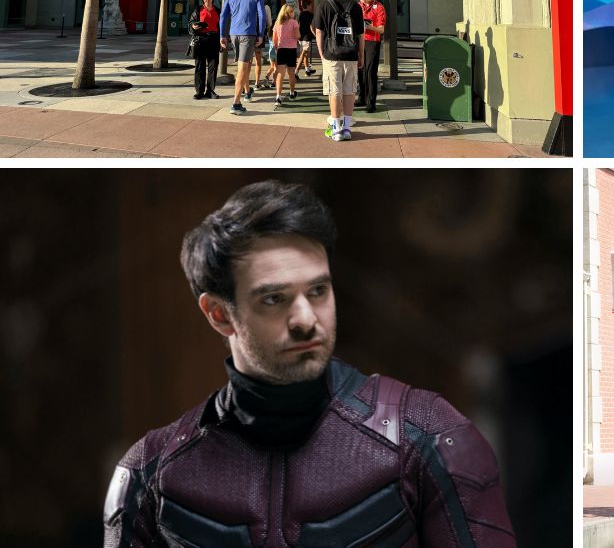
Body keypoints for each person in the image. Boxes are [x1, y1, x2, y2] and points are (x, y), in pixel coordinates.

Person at [102, 181, 516, 547]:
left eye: (317, 290)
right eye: (274, 298)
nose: (305, 319)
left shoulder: (431, 437)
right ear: (219, 314)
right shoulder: (148, 474)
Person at [313, 0, 364, 141]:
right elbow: (360, 35)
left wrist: (321, 53)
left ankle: (336, 130)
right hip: (351, 55)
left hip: (331, 55)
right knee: (349, 91)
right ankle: (347, 128)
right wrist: (361, 55)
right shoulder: (356, 7)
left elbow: (318, 32)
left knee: (334, 91)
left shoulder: (324, 5)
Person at [219, 0, 267, 115]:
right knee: (242, 67)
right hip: (248, 34)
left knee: (244, 64)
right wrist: (261, 34)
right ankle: (236, 103)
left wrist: (222, 35)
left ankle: (247, 91)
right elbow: (262, 16)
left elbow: (223, 15)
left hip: (234, 33)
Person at [356, 0, 387, 113]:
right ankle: (362, 97)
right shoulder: (357, 6)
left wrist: (367, 26)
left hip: (372, 42)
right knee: (360, 71)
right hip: (359, 40)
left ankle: (371, 102)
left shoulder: (379, 7)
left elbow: (381, 30)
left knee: (370, 72)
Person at [192, 0, 221, 100]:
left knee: (213, 66)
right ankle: (199, 91)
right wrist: (193, 26)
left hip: (214, 39)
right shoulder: (198, 10)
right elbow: (191, 23)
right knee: (200, 66)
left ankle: (210, 90)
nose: (207, 0)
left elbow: (221, 26)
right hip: (201, 39)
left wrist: (223, 40)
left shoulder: (217, 10)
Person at [271, 3, 300, 107]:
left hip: (281, 50)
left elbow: (274, 40)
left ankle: (278, 97)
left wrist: (276, 48)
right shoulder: (294, 22)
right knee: (291, 73)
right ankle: (292, 93)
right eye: (292, 11)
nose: (293, 13)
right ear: (288, 12)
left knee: (280, 74)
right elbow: (297, 36)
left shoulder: (277, 23)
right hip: (291, 50)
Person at [295, 0, 316, 77]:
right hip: (307, 37)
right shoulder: (311, 15)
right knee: (303, 54)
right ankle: (296, 72)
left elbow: (298, 25)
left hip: (301, 37)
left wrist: (298, 36)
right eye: (311, 5)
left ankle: (307, 70)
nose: (311, 7)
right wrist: (316, 35)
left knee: (305, 54)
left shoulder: (301, 14)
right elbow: (311, 26)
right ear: (307, 6)